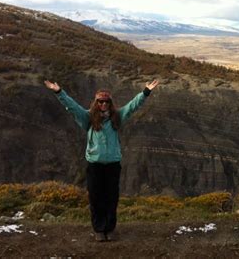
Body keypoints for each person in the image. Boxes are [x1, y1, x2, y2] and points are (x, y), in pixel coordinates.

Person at [44, 79, 159, 242]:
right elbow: (72, 107)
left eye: (106, 101)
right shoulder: (88, 118)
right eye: (100, 101)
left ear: (110, 103)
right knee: (96, 197)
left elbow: (133, 106)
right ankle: (99, 229)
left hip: (112, 165)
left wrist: (146, 92)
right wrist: (58, 92)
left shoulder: (117, 117)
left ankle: (110, 229)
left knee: (111, 198)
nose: (103, 104)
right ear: (96, 102)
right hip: (95, 165)